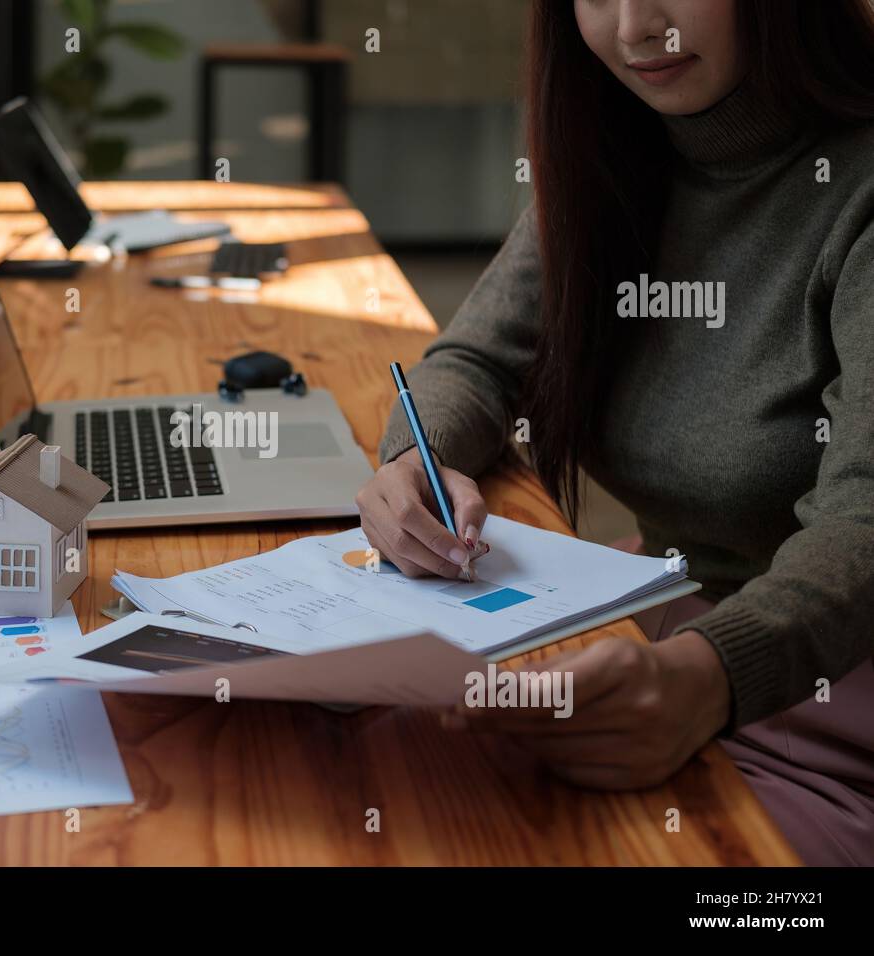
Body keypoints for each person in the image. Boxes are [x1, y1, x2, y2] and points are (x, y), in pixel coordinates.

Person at [356, 0, 874, 866]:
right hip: (660, 628)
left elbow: (865, 522)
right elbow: (479, 359)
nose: (636, 28)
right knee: (369, 772)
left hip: (826, 691)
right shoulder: (619, 145)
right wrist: (421, 454)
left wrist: (707, 676)